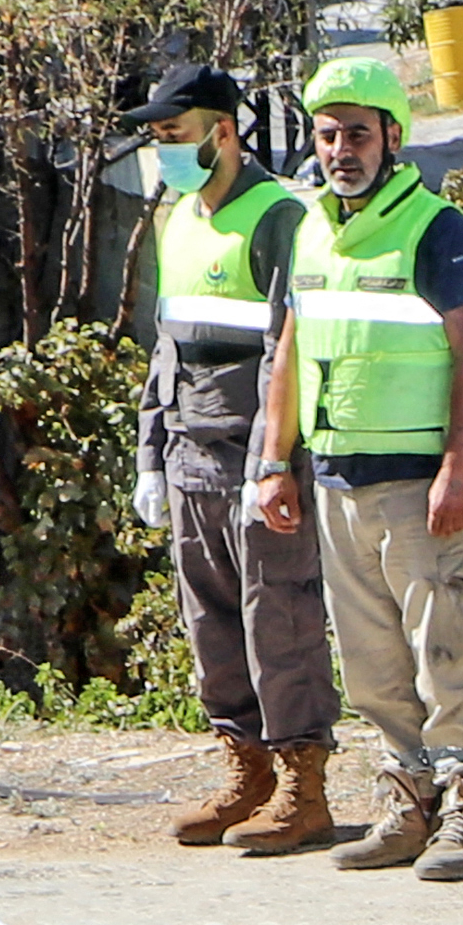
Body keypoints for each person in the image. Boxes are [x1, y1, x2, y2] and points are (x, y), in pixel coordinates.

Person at [259, 48, 463, 878]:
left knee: (445, 653)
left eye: (357, 134)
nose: (340, 151)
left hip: (417, 484)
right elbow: (290, 351)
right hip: (336, 481)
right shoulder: (308, 226)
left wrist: (459, 467)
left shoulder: (438, 229)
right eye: (327, 135)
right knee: (371, 664)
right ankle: (407, 802)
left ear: (393, 137)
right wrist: (273, 461)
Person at [130, 64, 337, 855]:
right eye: (156, 139)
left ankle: (302, 788)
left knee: (278, 621)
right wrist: (151, 456)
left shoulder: (279, 216)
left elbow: (290, 347)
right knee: (211, 627)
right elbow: (166, 347)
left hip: (255, 461)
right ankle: (245, 772)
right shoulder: (178, 219)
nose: (164, 152)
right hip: (190, 458)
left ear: (223, 131)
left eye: (174, 136)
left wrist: (270, 462)